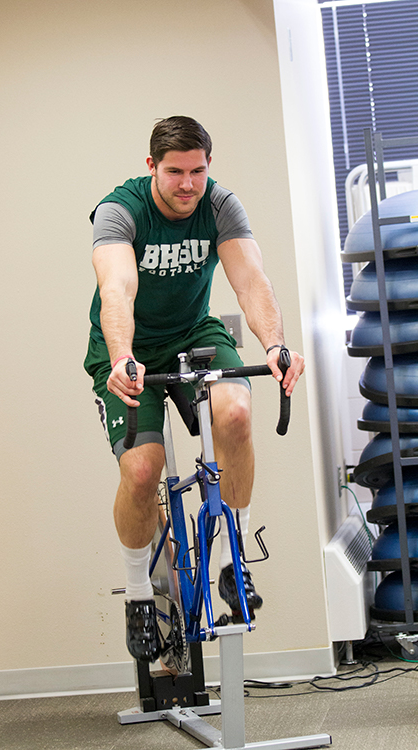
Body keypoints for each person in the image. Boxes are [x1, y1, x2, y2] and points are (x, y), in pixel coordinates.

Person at [84, 116, 304, 662]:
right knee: (141, 470)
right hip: (128, 351)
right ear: (152, 166)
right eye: (175, 172)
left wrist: (275, 344)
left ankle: (232, 561)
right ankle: (140, 594)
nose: (188, 184)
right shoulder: (121, 210)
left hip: (194, 334)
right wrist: (122, 357)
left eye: (198, 171)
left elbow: (251, 279)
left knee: (235, 415)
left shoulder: (220, 206)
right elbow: (118, 286)